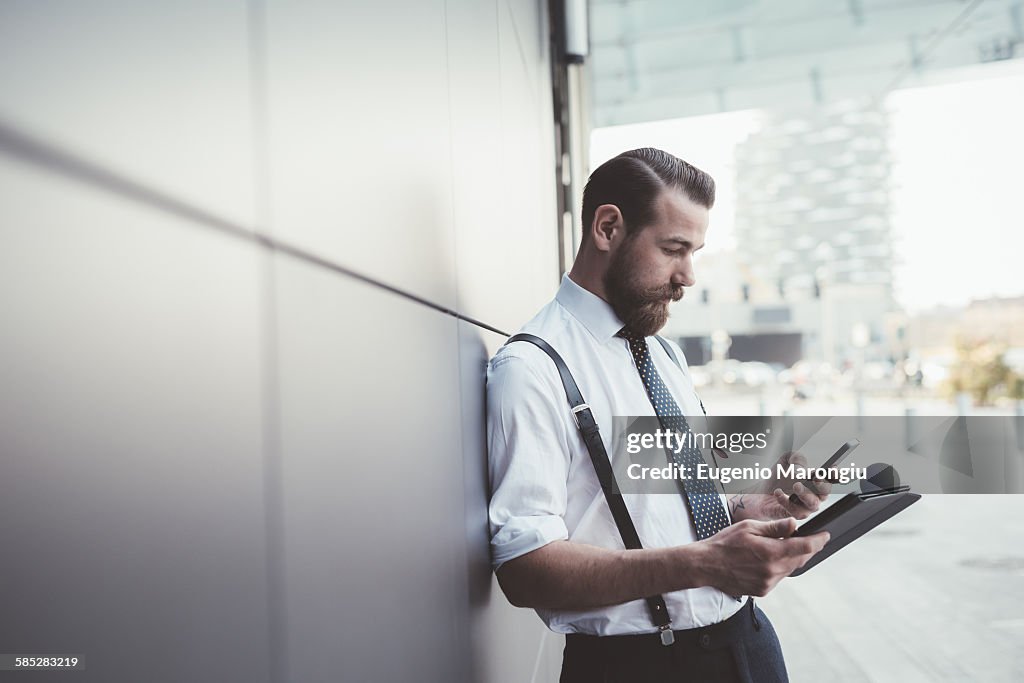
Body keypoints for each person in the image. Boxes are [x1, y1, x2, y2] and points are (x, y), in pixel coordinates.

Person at [486, 148, 831, 682]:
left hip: (749, 644)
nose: (688, 276)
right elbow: (525, 570)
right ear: (607, 228)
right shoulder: (531, 368)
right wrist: (706, 561)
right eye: (674, 249)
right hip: (637, 667)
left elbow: (657, 503)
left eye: (694, 252)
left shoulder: (660, 352)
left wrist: (746, 507)